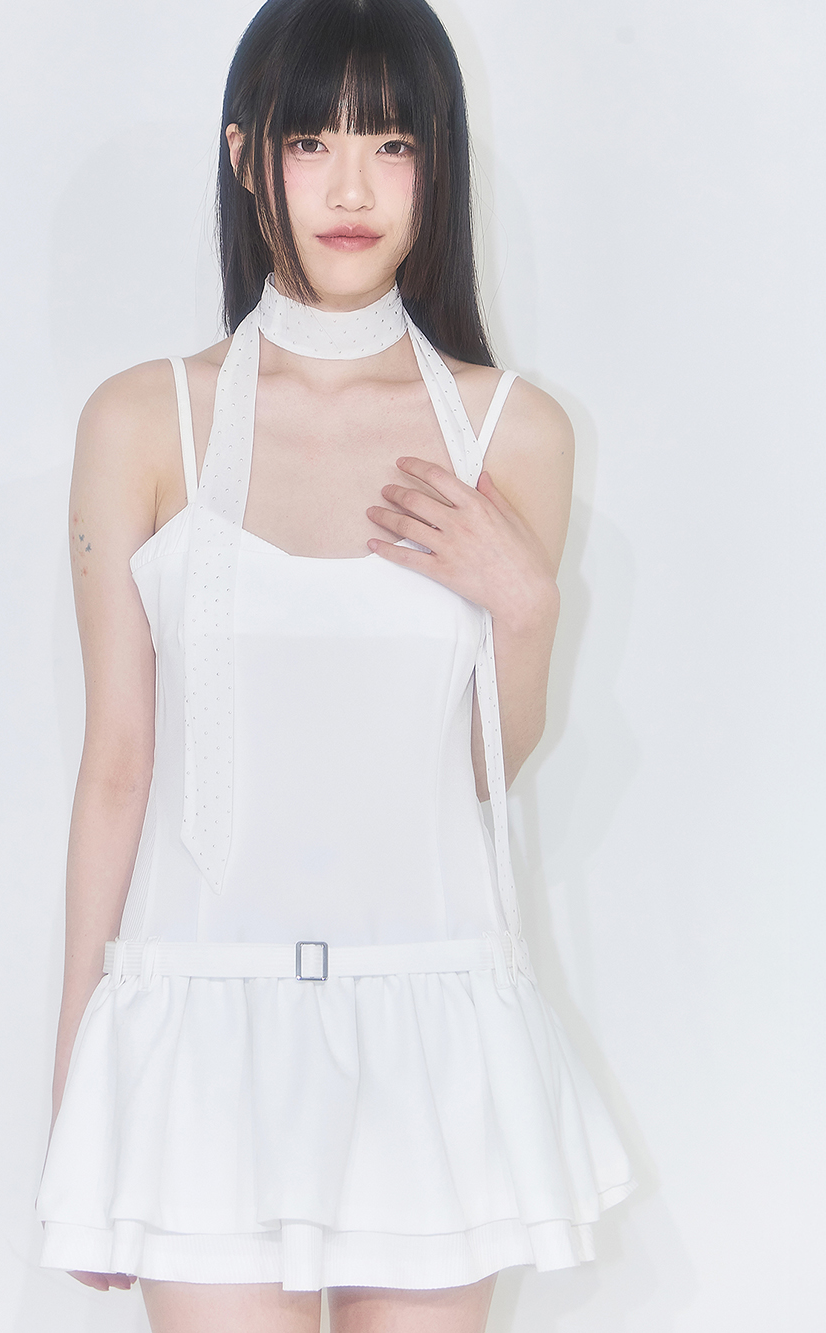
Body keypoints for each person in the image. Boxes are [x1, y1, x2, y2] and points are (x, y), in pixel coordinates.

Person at [34, 1, 636, 1329]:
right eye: (311, 140)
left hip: (434, 1019)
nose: (351, 188)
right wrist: (80, 1068)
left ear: (438, 163)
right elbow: (117, 766)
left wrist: (527, 607)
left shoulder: (512, 432)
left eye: (391, 142)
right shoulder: (143, 421)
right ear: (247, 158)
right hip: (197, 1024)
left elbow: (483, 768)